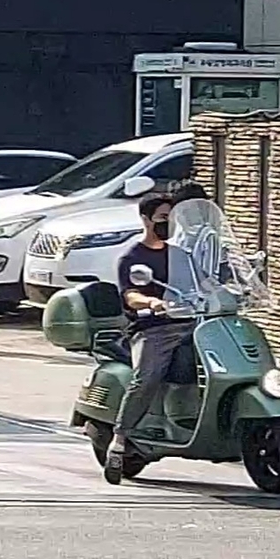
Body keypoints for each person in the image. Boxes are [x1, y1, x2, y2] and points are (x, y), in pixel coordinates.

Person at [109, 188, 193, 471]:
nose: (167, 223)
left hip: (191, 323)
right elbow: (130, 294)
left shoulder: (181, 254)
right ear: (146, 219)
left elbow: (202, 282)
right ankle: (119, 439)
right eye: (162, 217)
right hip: (154, 328)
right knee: (146, 377)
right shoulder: (132, 258)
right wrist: (151, 301)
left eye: (171, 217)